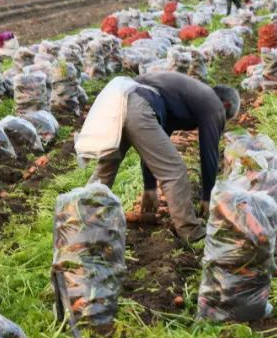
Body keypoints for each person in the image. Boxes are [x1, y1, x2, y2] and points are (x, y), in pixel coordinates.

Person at [88, 72, 240, 243]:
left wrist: (150, 187)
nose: (219, 120)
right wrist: (207, 196)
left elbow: (152, 148)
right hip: (137, 104)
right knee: (175, 171)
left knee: (106, 169)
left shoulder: (183, 96)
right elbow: (209, 152)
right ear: (225, 105)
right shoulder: (213, 103)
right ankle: (190, 231)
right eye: (224, 118)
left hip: (116, 100)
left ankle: (82, 216)